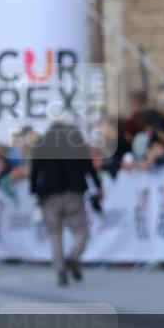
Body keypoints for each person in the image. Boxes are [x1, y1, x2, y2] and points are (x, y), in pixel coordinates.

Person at [29, 120, 103, 287]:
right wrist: (98, 186)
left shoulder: (43, 144)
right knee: (81, 231)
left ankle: (60, 269)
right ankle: (74, 257)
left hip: (49, 194)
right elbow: (88, 166)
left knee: (55, 234)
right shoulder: (76, 143)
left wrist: (34, 189)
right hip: (74, 193)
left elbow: (35, 169)